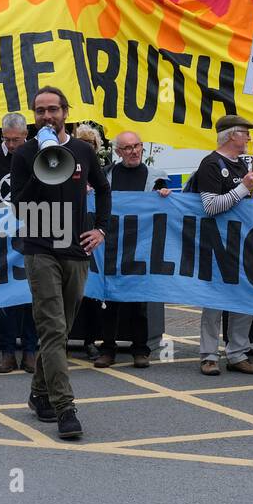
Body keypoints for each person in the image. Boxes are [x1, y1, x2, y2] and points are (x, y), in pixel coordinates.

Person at [9, 86, 111, 440]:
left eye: (53, 109)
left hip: (76, 249)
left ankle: (39, 394)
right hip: (40, 249)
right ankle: (66, 408)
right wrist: (43, 165)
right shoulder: (23, 155)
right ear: (34, 116)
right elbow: (19, 204)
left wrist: (100, 229)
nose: (47, 116)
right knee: (52, 329)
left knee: (61, 329)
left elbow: (104, 189)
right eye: (40, 111)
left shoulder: (83, 150)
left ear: (65, 112)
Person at [188, 113, 253, 378]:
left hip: (242, 240)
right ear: (231, 135)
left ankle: (238, 353)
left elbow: (245, 205)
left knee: (244, 297)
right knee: (214, 300)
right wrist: (242, 188)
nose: (248, 138)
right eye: (244, 133)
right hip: (217, 242)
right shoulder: (210, 164)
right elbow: (210, 206)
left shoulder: (242, 165)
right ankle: (209, 355)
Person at [96, 130, 169, 369]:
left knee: (139, 302)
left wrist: (164, 194)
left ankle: (140, 350)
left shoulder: (155, 177)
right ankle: (107, 349)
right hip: (112, 246)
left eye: (137, 146)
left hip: (141, 247)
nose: (134, 151)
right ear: (118, 152)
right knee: (110, 301)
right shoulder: (107, 176)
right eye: (128, 148)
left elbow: (168, 204)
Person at [0, 113, 38, 374]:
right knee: (5, 296)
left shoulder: (37, 152)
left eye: (16, 140)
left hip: (33, 231)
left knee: (31, 295)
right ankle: (6, 354)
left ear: (26, 135)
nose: (12, 145)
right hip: (2, 235)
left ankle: (30, 352)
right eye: (7, 139)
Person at [72, 123, 108, 360]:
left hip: (94, 243)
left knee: (94, 295)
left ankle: (90, 341)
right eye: (81, 143)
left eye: (90, 144)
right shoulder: (64, 168)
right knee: (70, 293)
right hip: (70, 239)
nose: (86, 147)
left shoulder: (102, 173)